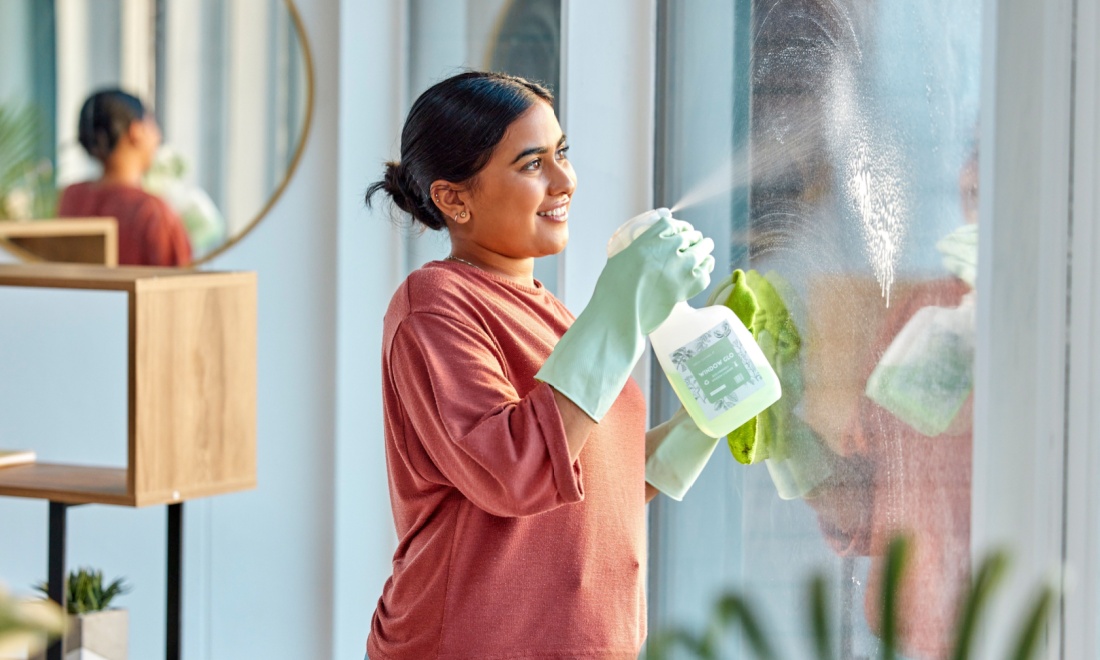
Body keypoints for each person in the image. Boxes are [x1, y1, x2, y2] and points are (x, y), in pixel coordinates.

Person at [363, 71, 722, 659]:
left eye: (562, 153)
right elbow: (516, 470)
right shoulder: (433, 303)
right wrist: (622, 304)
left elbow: (589, 480)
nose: (564, 181)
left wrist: (705, 418)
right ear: (454, 197)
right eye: (532, 164)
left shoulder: (553, 314)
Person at [58, 89, 192, 266]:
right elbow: (183, 280)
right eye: (152, 124)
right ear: (136, 131)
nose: (158, 136)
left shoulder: (72, 197)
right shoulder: (151, 211)